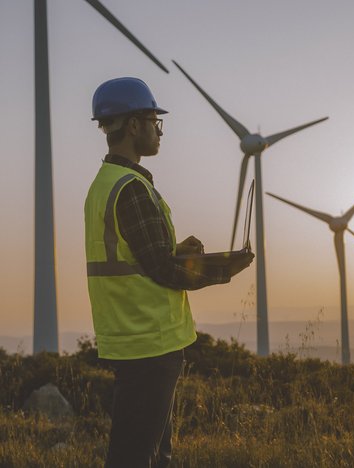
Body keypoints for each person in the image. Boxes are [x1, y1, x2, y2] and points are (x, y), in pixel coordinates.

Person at [84, 77, 254, 467]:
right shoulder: (131, 188)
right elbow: (162, 270)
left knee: (152, 454)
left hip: (131, 337)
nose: (158, 131)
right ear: (133, 126)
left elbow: (133, 256)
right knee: (135, 456)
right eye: (154, 121)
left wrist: (175, 251)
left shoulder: (105, 184)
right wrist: (223, 269)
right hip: (150, 341)